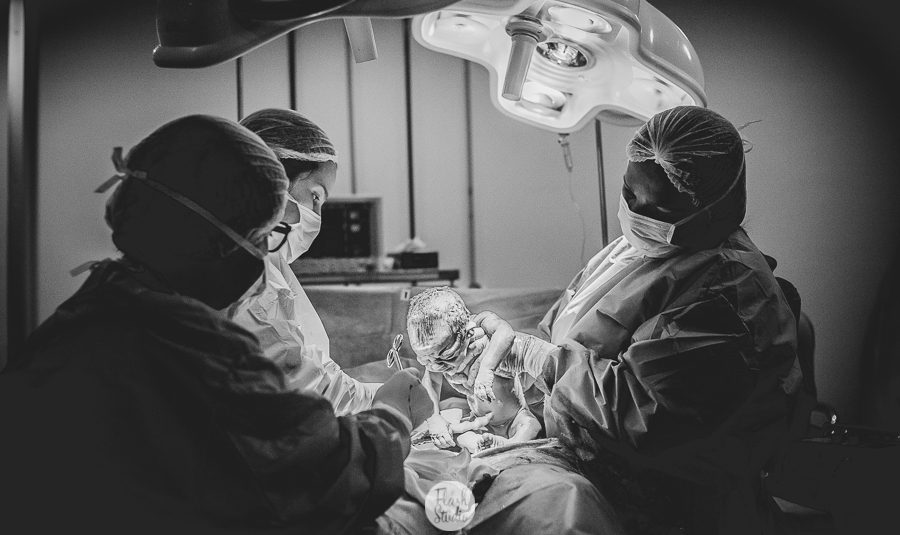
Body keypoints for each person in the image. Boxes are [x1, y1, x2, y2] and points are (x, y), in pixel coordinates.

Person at [0, 114, 432, 534]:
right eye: (261, 236)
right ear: (210, 234)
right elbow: (327, 479)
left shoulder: (98, 307)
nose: (264, 257)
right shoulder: (191, 350)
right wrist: (391, 417)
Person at [469, 106, 803, 534]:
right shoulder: (632, 251)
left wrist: (537, 359)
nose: (640, 214)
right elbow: (566, 335)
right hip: (583, 470)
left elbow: (643, 416)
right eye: (630, 195)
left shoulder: (730, 293)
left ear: (719, 207)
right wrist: (516, 394)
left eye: (662, 208)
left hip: (663, 512)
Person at [229, 108, 378, 415]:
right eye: (315, 197)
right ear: (274, 183)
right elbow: (296, 381)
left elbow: (307, 360)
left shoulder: (268, 261)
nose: (314, 216)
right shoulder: (241, 277)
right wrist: (383, 400)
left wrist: (374, 392)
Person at [405, 286, 545, 451]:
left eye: (447, 355)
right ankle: (482, 446)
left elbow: (505, 333)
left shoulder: (482, 325)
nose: (436, 365)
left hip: (516, 416)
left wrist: (487, 370)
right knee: (457, 434)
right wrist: (435, 418)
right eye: (424, 358)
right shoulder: (436, 356)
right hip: (481, 421)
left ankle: (510, 444)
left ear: (468, 332)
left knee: (531, 425)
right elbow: (431, 385)